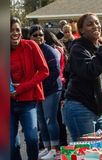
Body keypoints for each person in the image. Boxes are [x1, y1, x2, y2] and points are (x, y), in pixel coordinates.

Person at [63, 13, 102, 141]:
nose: (95, 26)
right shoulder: (78, 49)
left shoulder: (98, 46)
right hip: (80, 107)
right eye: (90, 24)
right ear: (81, 30)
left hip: (98, 110)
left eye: (97, 23)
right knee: (87, 152)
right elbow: (91, 71)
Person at [10, 17, 49, 160]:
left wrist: (22, 88)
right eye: (10, 30)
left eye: (17, 30)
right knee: (10, 145)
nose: (15, 33)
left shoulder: (31, 45)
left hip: (28, 100)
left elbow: (44, 71)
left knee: (32, 138)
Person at [29, 24, 62, 159]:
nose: (39, 37)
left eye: (41, 34)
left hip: (51, 90)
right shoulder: (29, 51)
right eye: (35, 35)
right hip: (39, 91)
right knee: (41, 121)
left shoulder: (49, 51)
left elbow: (55, 73)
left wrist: (41, 88)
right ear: (30, 37)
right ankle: (47, 147)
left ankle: (55, 149)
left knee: (50, 120)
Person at [44, 29, 68, 147]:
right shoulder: (59, 48)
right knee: (58, 117)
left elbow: (55, 69)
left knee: (54, 118)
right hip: (61, 82)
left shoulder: (52, 50)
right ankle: (61, 142)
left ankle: (60, 143)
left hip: (56, 84)